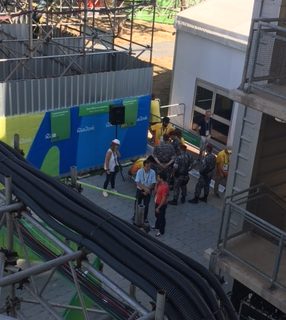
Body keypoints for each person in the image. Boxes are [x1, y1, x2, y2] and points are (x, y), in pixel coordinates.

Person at [154, 171, 169, 237]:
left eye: (158, 177)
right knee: (157, 215)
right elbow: (155, 192)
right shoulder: (159, 184)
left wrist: (159, 207)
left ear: (161, 178)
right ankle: (156, 226)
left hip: (161, 205)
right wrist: (156, 184)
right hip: (157, 202)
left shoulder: (165, 187)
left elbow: (164, 199)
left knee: (161, 218)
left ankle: (161, 231)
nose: (157, 177)